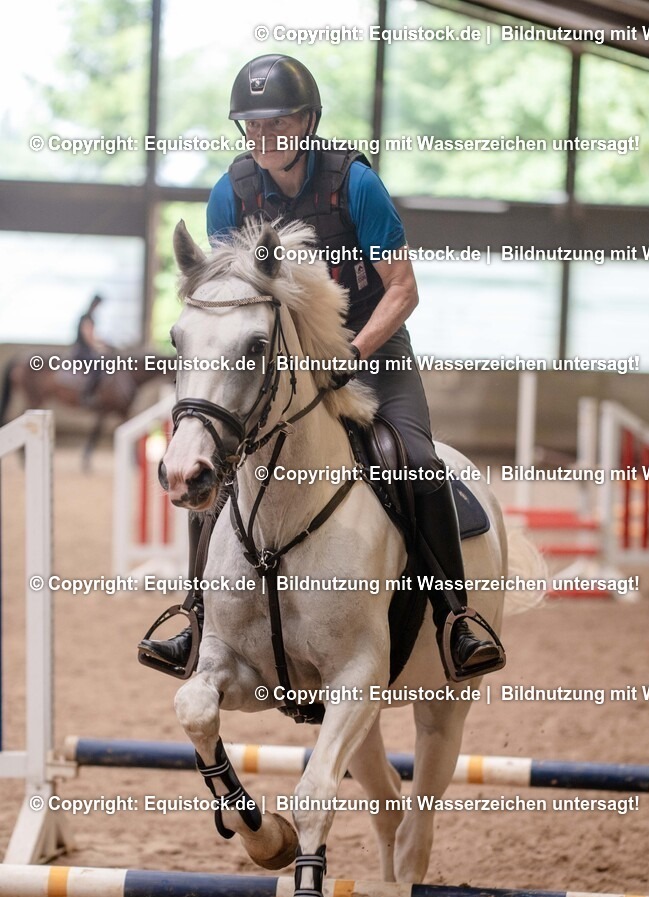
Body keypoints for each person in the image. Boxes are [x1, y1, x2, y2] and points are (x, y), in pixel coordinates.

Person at [139, 54, 503, 680]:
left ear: (307, 121)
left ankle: (455, 617)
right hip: (280, 366)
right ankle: (196, 617)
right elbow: (231, 302)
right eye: (252, 126)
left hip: (372, 353)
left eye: (277, 122)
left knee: (414, 458)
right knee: (225, 472)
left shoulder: (355, 183)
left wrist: (351, 355)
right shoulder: (232, 193)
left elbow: (404, 288)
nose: (264, 137)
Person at [72, 294, 108, 403]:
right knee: (97, 367)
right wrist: (100, 347)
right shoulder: (86, 318)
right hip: (81, 352)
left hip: (87, 351)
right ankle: (87, 394)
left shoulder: (90, 318)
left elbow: (93, 337)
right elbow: (89, 338)